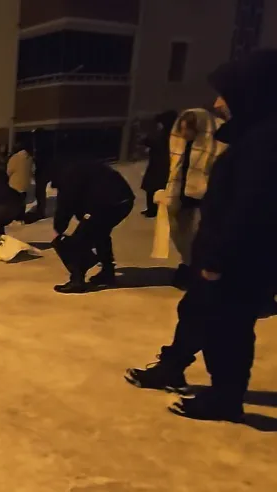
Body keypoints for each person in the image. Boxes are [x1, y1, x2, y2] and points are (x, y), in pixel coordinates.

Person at [125, 50, 277, 421]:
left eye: (225, 94)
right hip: (226, 254)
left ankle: (225, 398)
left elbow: (251, 209)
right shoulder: (255, 137)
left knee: (228, 328)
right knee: (196, 311)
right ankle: (172, 367)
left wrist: (218, 259)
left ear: (251, 92)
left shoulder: (265, 144)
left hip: (240, 260)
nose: (217, 104)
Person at [156, 109, 227, 290]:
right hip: (181, 196)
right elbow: (171, 168)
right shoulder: (180, 145)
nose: (184, 134)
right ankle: (189, 265)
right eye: (182, 129)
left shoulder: (216, 145)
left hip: (203, 199)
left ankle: (196, 271)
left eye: (188, 130)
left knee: (199, 238)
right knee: (182, 236)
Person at [49, 162, 135, 293]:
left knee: (77, 241)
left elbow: (65, 205)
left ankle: (77, 280)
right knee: (100, 232)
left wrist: (58, 229)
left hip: (107, 203)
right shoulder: (76, 166)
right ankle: (107, 272)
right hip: (123, 200)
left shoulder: (66, 176)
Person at [140, 110, 179, 217]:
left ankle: (152, 210)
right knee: (156, 187)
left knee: (153, 187)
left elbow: (152, 142)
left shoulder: (164, 134)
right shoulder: (173, 133)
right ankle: (152, 209)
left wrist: (146, 140)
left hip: (159, 164)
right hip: (163, 163)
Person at [30, 128, 53, 221]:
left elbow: (41, 160)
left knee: (40, 192)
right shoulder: (43, 146)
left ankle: (41, 211)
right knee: (39, 193)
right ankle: (40, 210)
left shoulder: (41, 148)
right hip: (43, 171)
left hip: (42, 171)